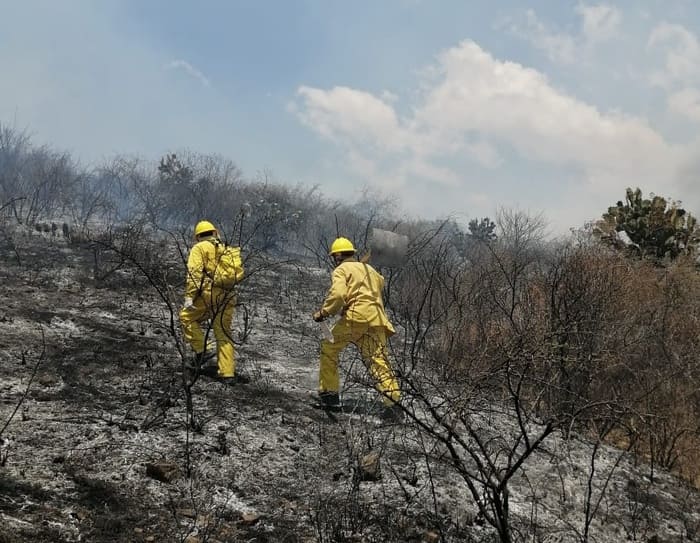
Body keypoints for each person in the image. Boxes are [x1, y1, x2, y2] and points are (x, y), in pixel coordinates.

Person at [312, 236, 401, 419]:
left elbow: (338, 295)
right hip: (377, 319)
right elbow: (380, 282)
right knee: (379, 362)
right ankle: (393, 405)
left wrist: (323, 313)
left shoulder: (341, 270)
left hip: (356, 317)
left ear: (336, 256)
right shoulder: (370, 270)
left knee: (329, 348)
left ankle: (330, 397)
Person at [180, 220, 246, 385]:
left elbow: (194, 273)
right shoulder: (225, 249)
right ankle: (227, 373)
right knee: (223, 332)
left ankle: (203, 349)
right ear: (215, 232)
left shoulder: (199, 248)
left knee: (186, 317)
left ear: (198, 236)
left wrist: (190, 296)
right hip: (228, 296)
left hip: (209, 294)